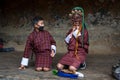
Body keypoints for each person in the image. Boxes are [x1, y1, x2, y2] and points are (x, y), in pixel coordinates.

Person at [57, 7, 89, 72]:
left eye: (78, 21)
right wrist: (71, 33)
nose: (76, 22)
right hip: (70, 53)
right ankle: (69, 64)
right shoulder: (71, 30)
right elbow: (67, 41)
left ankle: (81, 63)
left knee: (71, 69)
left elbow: (83, 42)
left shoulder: (84, 31)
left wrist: (76, 32)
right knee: (59, 67)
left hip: (79, 53)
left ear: (81, 20)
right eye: (74, 21)